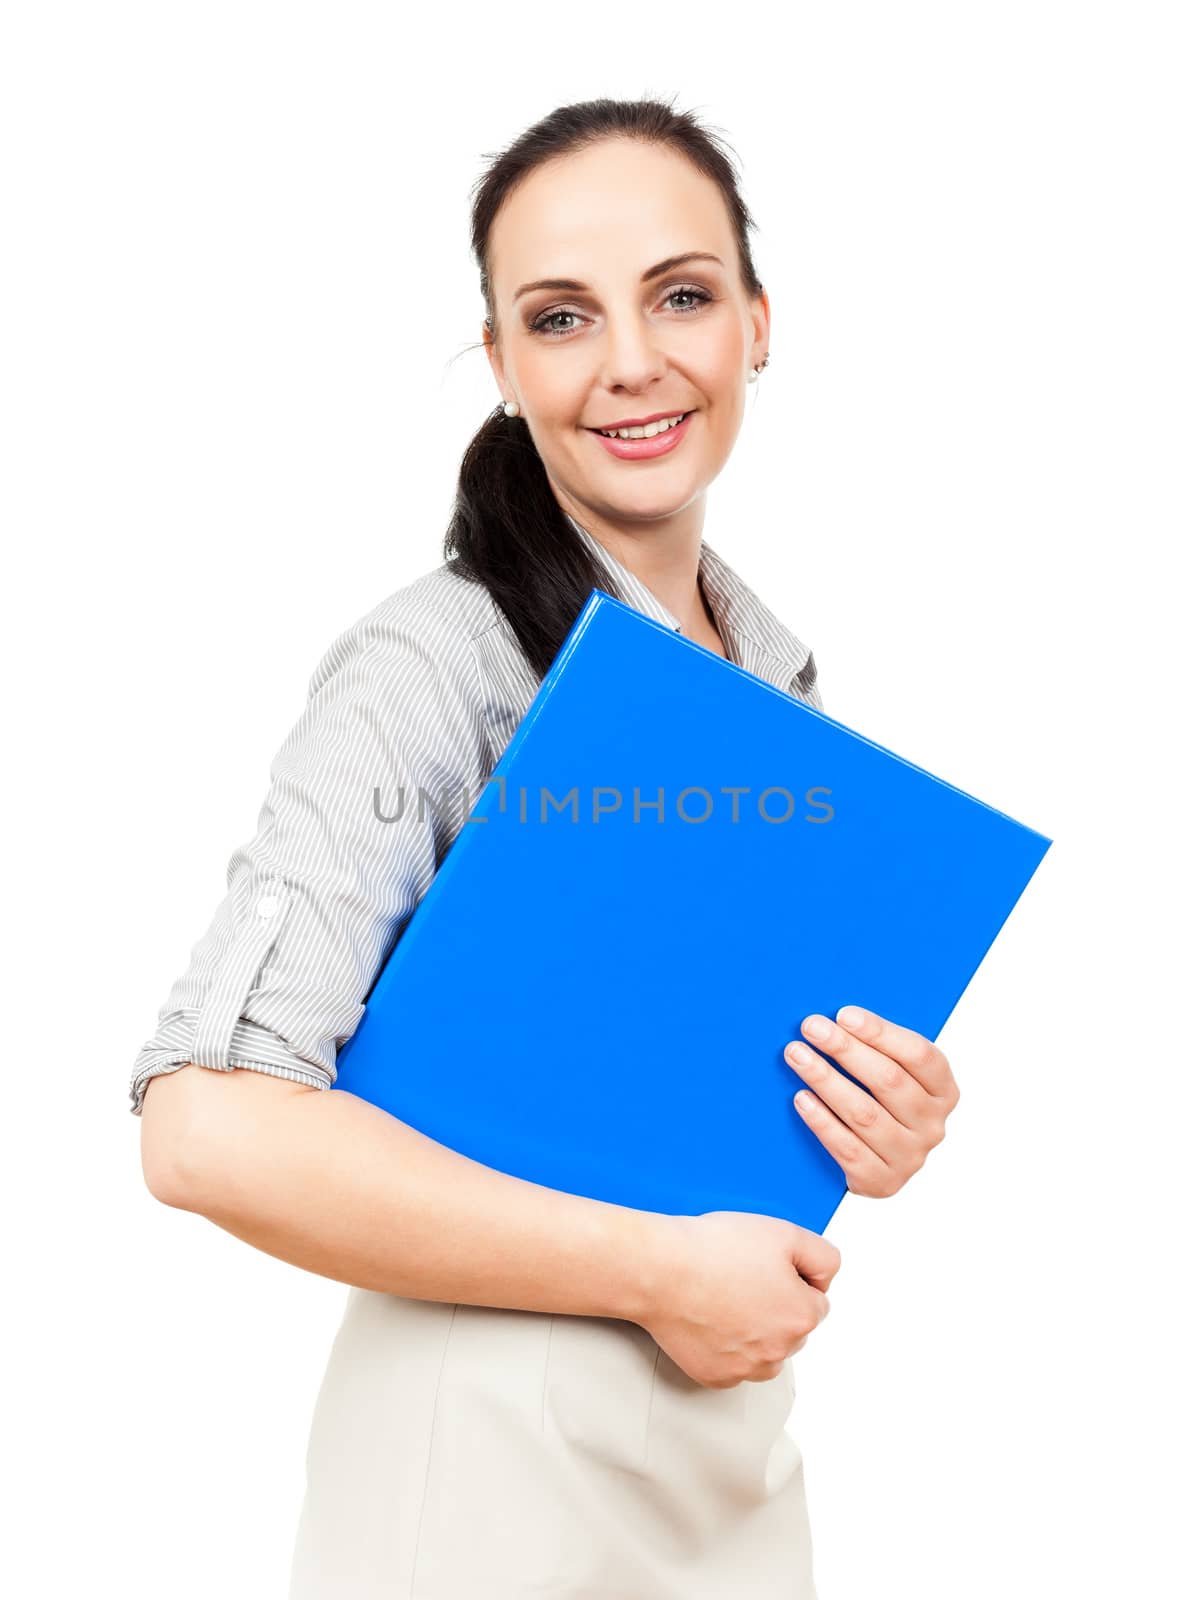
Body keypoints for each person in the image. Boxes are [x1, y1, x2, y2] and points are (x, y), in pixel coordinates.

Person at [133, 95, 960, 1600]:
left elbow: (678, 1091)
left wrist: (869, 1112)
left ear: (759, 325)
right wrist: (657, 1271)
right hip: (487, 1443)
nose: (633, 362)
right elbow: (204, 1129)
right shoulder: (431, 663)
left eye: (682, 296)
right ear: (504, 364)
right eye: (563, 317)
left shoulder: (770, 682)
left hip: (723, 1435)